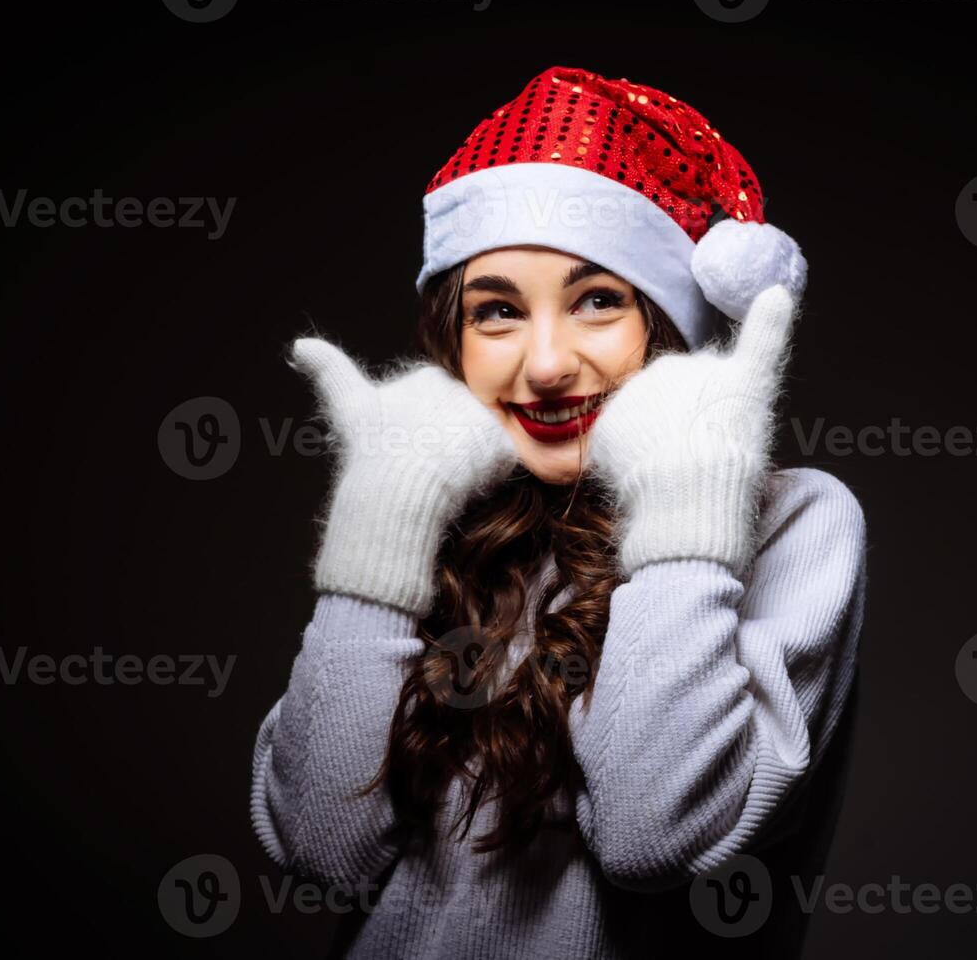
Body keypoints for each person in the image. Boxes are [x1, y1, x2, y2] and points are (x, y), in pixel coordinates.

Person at [250, 65, 868, 958]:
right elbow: (321, 853)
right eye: (497, 312)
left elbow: (657, 838)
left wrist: (686, 513)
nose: (544, 364)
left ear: (670, 321)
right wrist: (378, 534)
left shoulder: (795, 522)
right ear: (451, 342)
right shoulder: (440, 515)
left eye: (597, 302)